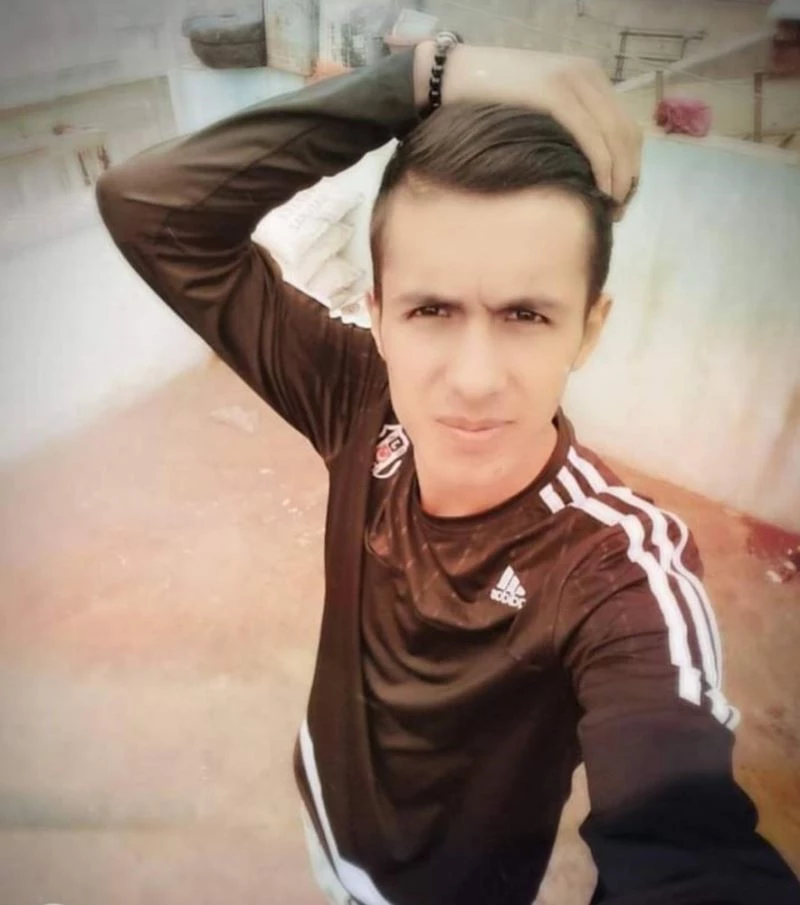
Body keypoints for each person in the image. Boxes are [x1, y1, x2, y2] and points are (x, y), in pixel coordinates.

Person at [95, 36, 800, 905]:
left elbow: (683, 845)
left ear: (588, 329)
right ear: (378, 314)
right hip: (325, 821)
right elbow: (149, 208)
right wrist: (427, 77)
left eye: (526, 315)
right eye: (431, 309)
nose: (473, 378)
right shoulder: (358, 396)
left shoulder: (617, 568)